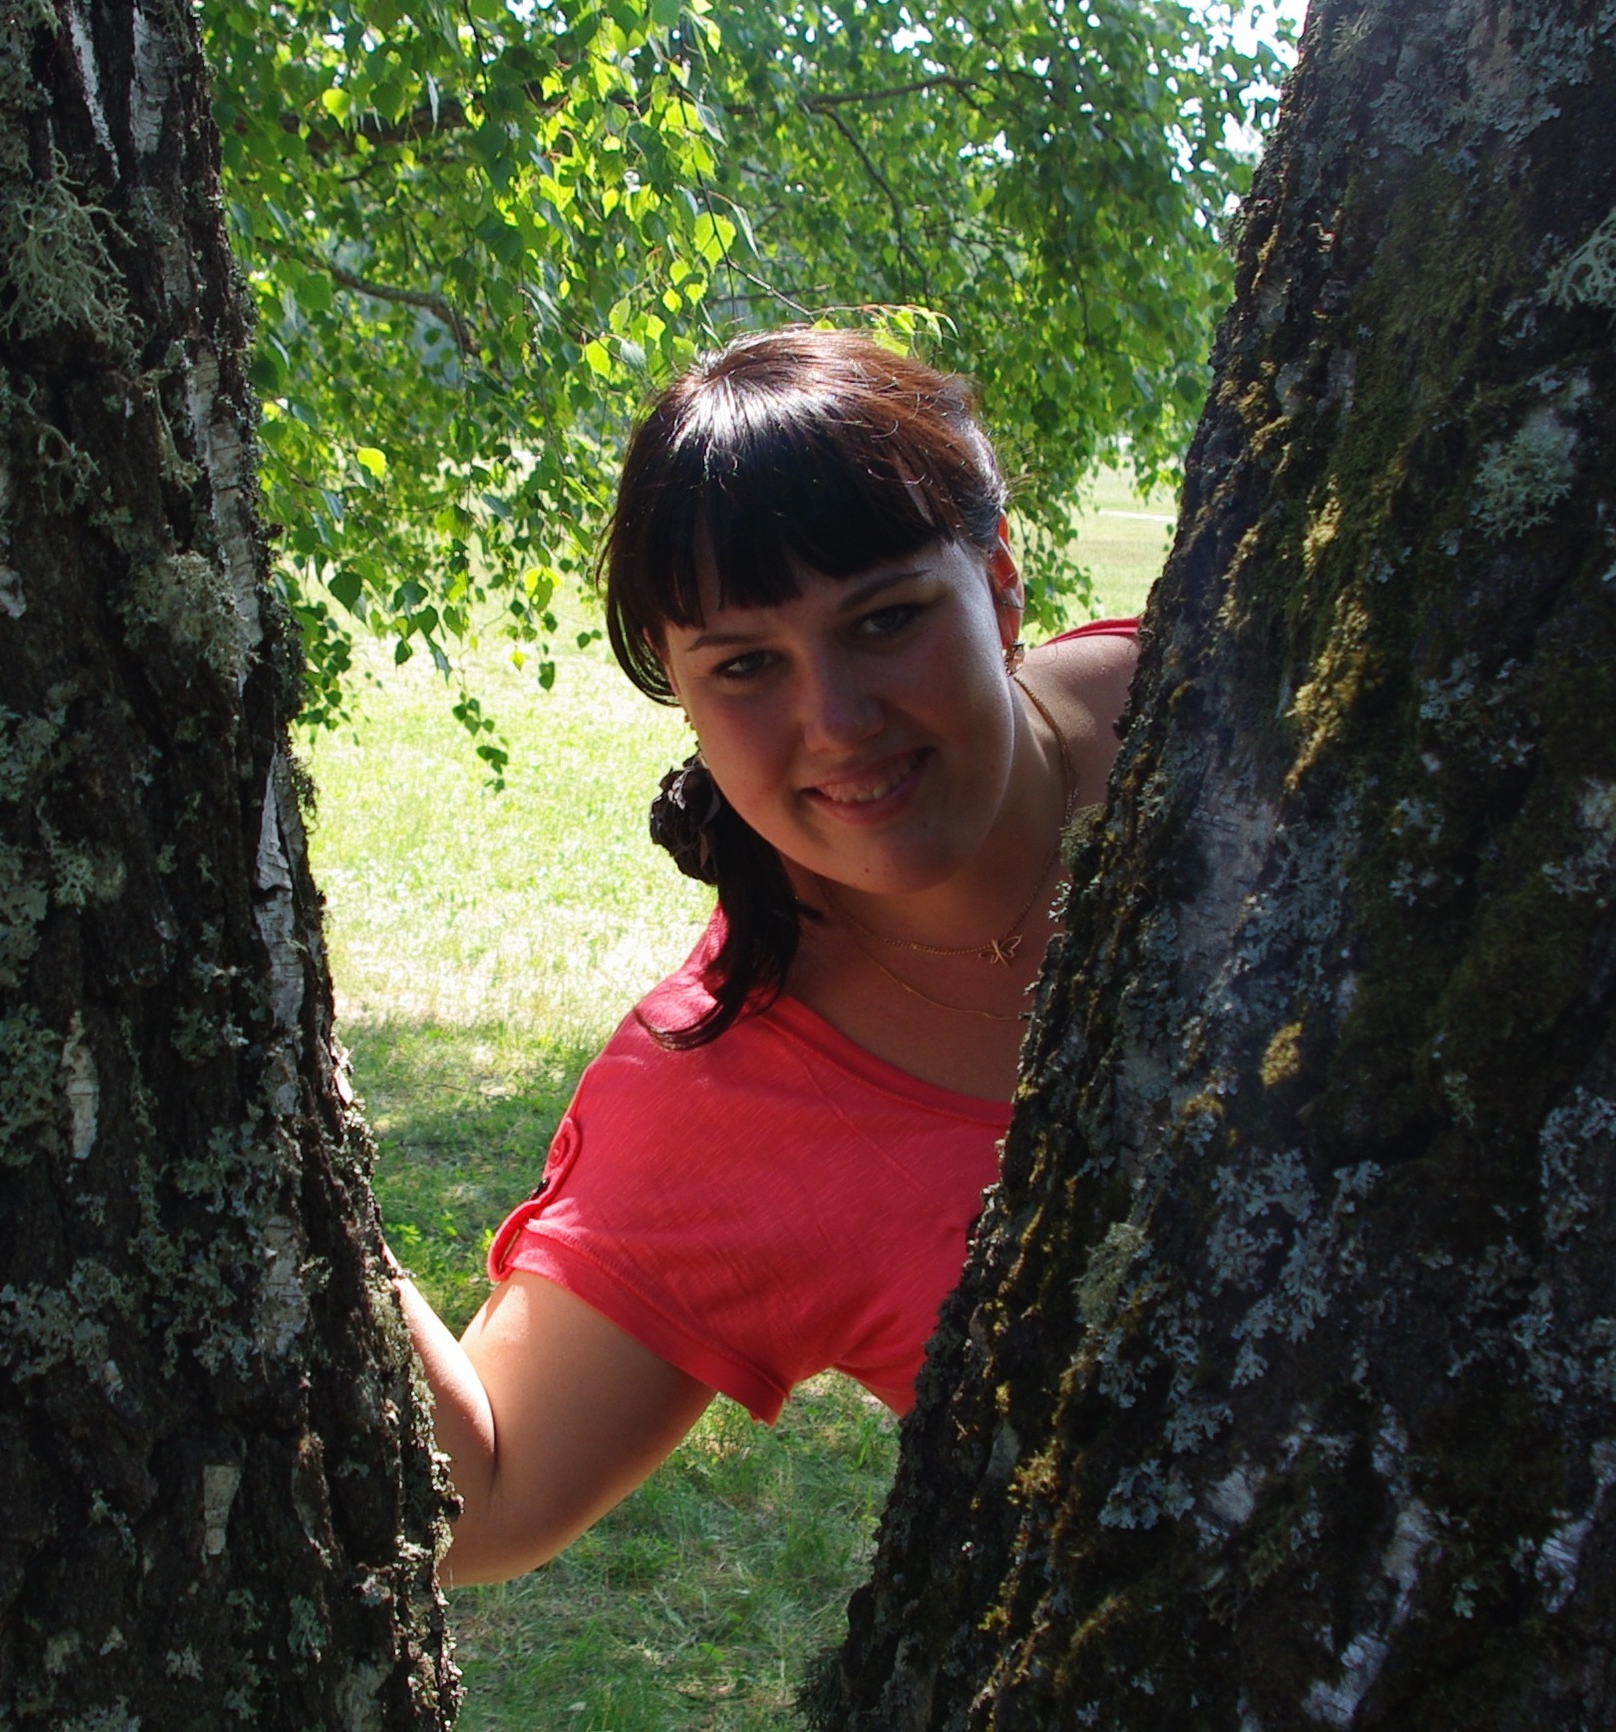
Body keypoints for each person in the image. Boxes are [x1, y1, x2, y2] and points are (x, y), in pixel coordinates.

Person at [391, 327, 1141, 1584]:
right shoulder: (720, 1092)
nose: (837, 723)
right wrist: (263, 1103)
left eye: (886, 619)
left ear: (1000, 582)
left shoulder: (1214, 694)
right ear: (681, 694)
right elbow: (482, 1502)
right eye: (745, 665)